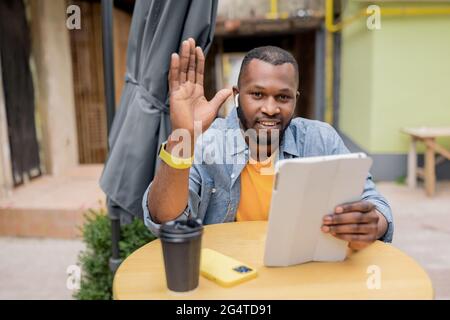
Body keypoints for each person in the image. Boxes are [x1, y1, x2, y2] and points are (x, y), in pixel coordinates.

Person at [143, 38, 393, 251]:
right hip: (228, 279)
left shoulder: (320, 139)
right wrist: (182, 134)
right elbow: (165, 221)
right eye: (258, 94)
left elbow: (375, 204)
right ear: (237, 95)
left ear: (295, 99)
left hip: (302, 275)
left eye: (282, 97)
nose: (270, 109)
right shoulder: (206, 140)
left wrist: (372, 223)